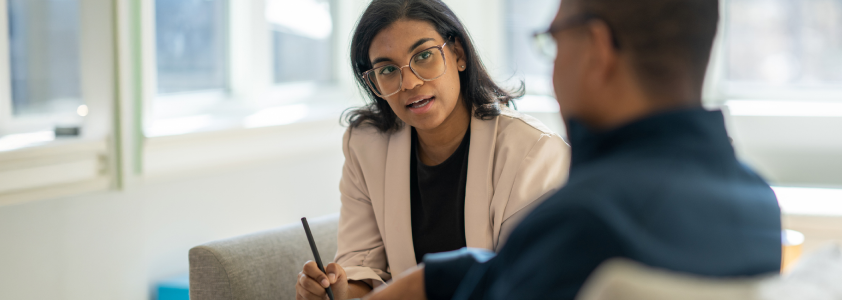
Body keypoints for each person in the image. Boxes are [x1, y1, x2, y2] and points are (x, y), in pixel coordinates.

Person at [362, 0, 783, 299]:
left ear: (597, 50)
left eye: (556, 40)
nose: (554, 66)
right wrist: (434, 279)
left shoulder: (583, 219)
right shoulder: (756, 202)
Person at [294, 0, 571, 299]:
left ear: (458, 54)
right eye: (387, 69)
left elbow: (520, 285)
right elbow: (364, 270)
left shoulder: (533, 152)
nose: (410, 82)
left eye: (424, 55)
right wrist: (338, 290)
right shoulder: (365, 146)